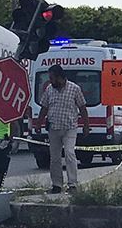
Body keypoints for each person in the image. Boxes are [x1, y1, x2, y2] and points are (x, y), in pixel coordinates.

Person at [37, 65, 90, 194]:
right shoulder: (50, 89)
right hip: (53, 128)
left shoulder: (74, 89)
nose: (50, 81)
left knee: (69, 153)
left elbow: (82, 108)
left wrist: (86, 126)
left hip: (69, 128)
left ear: (59, 77)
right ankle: (57, 185)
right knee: (54, 158)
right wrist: (38, 123)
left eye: (52, 78)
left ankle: (72, 184)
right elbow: (44, 107)